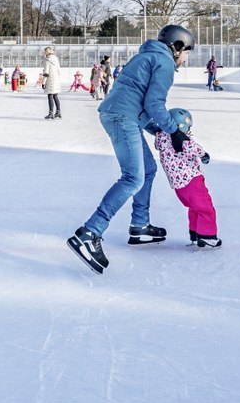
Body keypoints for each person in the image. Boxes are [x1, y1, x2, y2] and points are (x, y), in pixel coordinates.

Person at [67, 24, 193, 274]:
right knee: (133, 177)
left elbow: (136, 100)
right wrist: (173, 130)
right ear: (176, 46)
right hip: (122, 117)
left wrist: (156, 130)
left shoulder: (146, 56)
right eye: (187, 51)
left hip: (120, 114)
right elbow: (155, 104)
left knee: (147, 169)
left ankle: (140, 226)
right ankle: (90, 233)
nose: (187, 57)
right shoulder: (165, 62)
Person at [155, 107, 220, 249]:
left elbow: (159, 143)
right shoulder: (183, 139)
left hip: (178, 185)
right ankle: (208, 236)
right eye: (188, 127)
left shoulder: (161, 137)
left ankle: (196, 234)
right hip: (191, 180)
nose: (189, 130)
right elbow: (195, 149)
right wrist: (204, 155)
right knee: (205, 208)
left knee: (194, 208)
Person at [41, 45, 62, 120]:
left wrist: (43, 82)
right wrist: (58, 79)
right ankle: (58, 112)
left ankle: (51, 113)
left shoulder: (47, 59)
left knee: (50, 96)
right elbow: (59, 70)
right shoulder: (56, 59)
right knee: (55, 96)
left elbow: (46, 72)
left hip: (50, 80)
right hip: (56, 79)